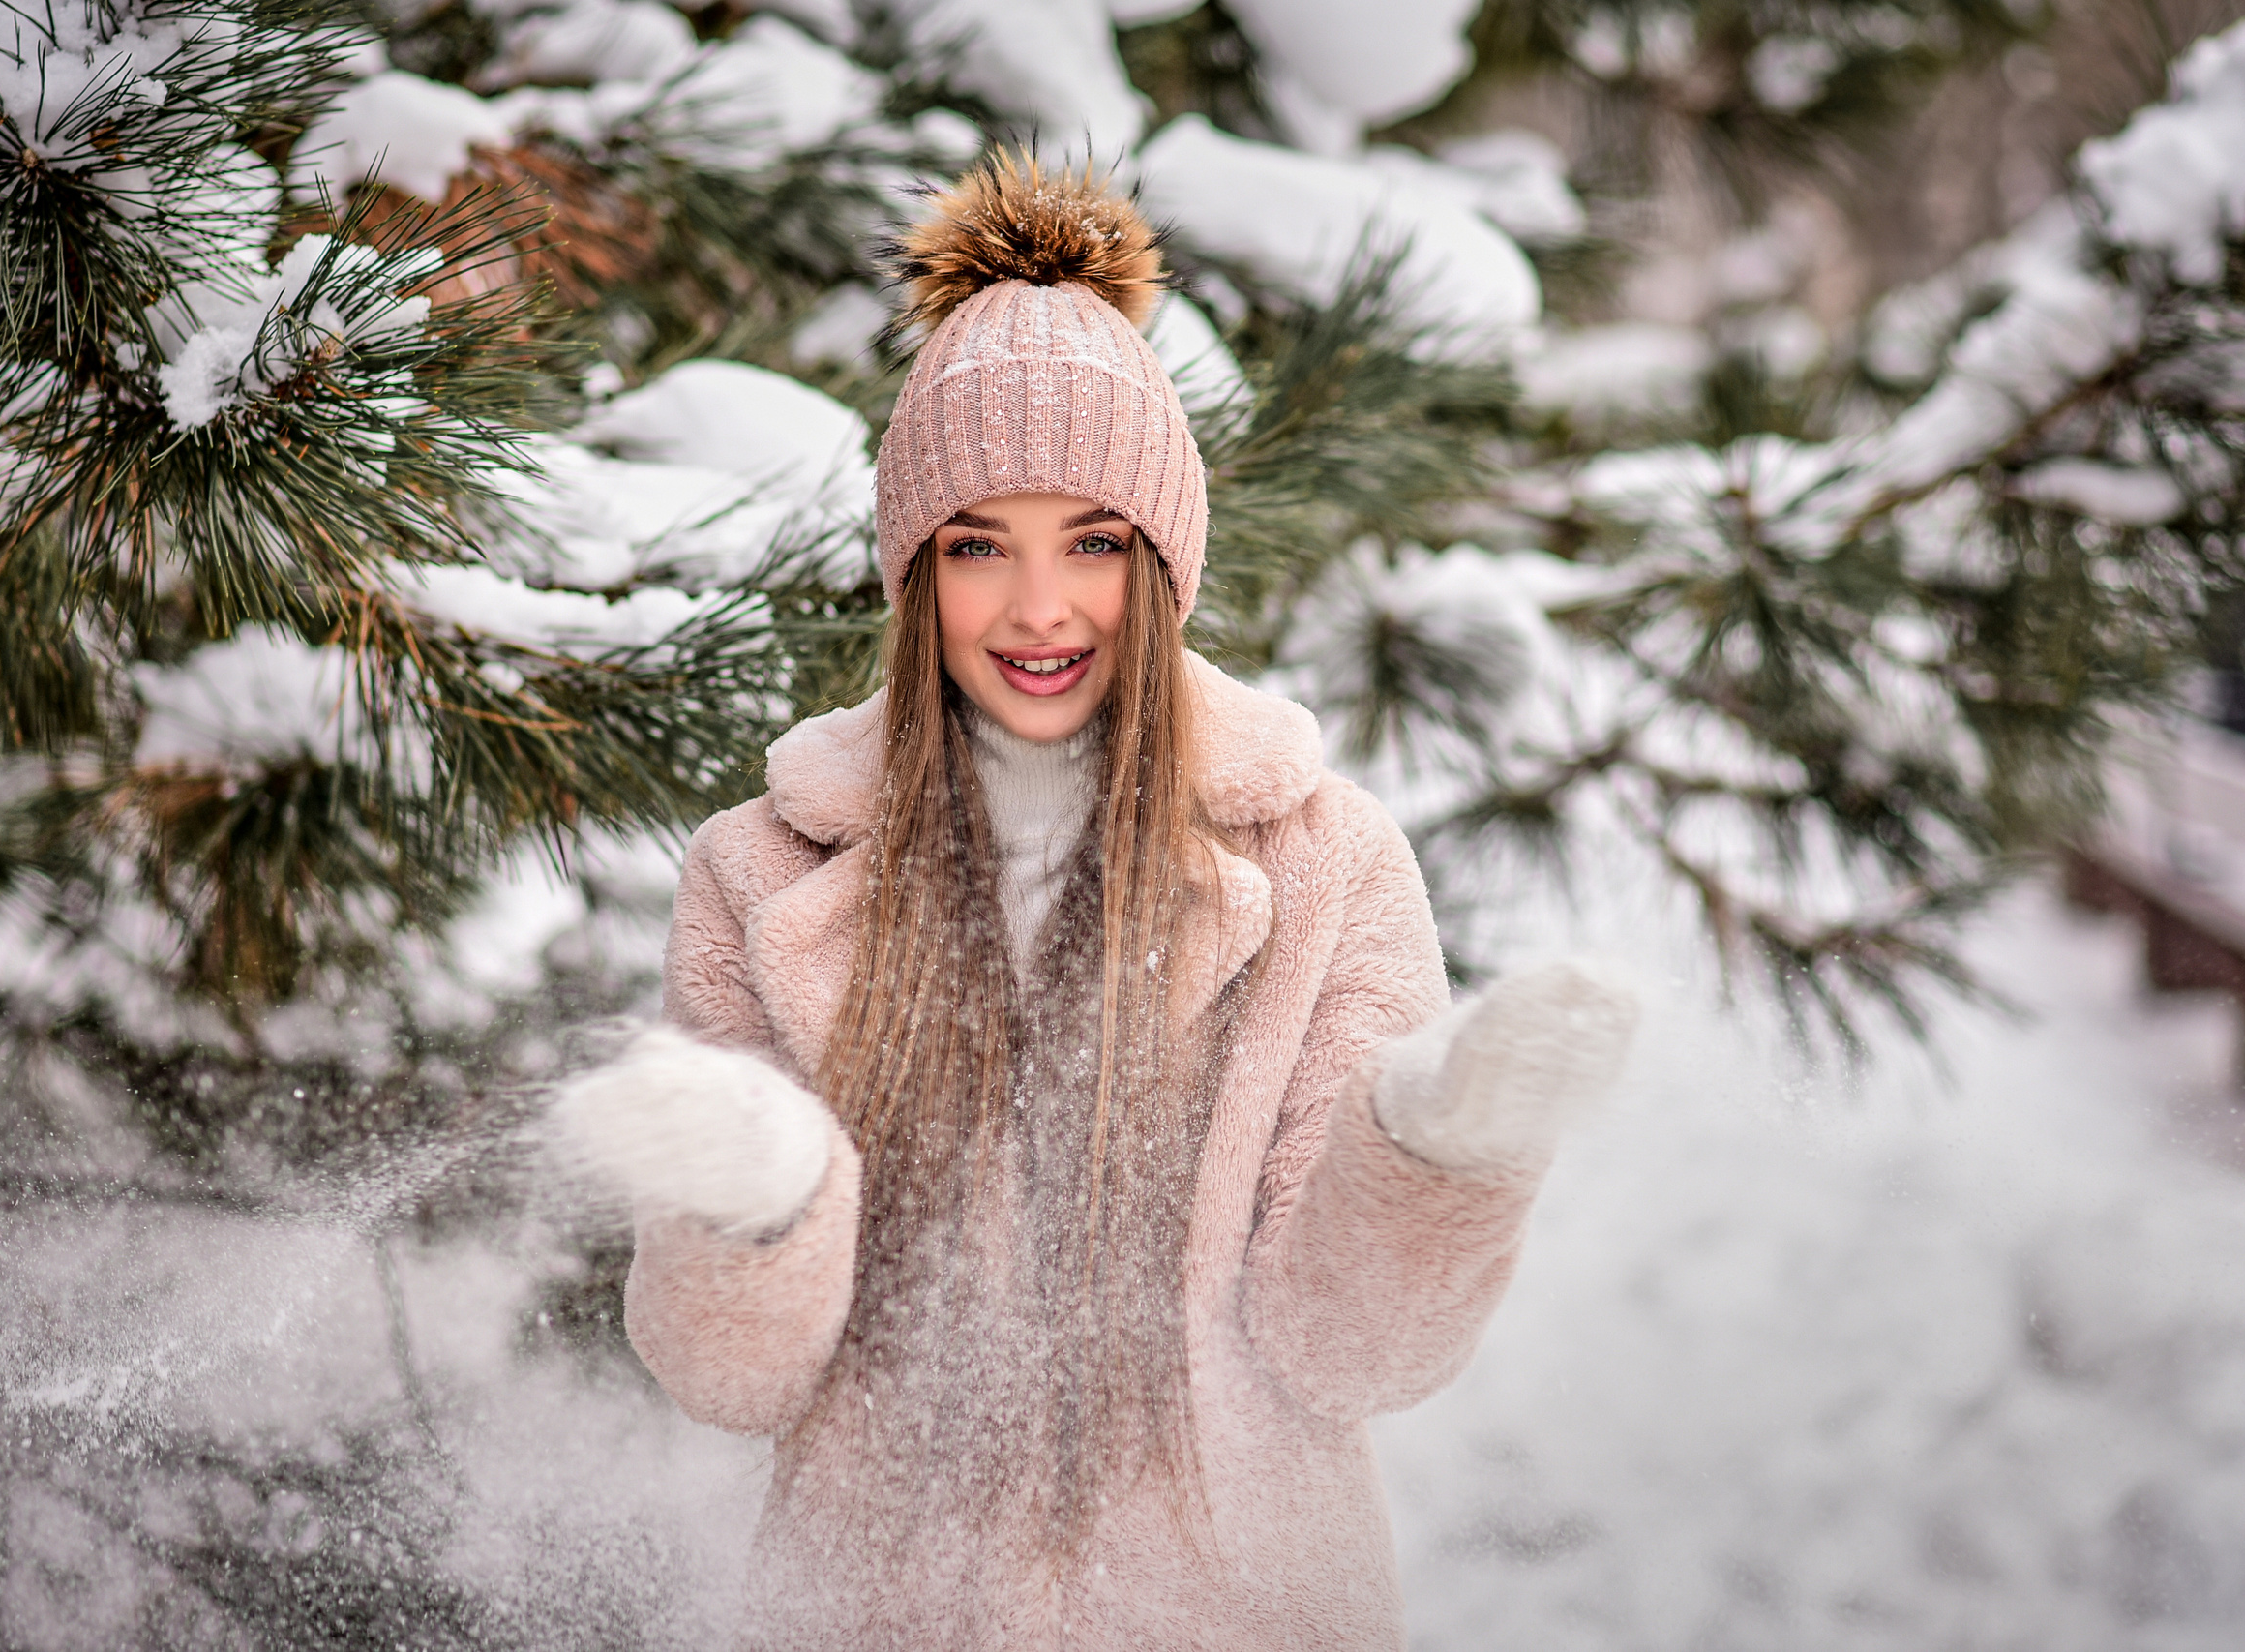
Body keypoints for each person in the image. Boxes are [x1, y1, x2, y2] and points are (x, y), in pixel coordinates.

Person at [553, 151, 1638, 1651]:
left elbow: (1349, 1353)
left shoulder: (1328, 864)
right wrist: (755, 1196)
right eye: (980, 543)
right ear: (915, 572)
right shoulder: (764, 871)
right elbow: (729, 1380)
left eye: (1096, 542)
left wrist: (1442, 1149)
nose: (1041, 606)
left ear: (1168, 562)